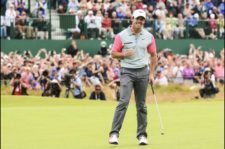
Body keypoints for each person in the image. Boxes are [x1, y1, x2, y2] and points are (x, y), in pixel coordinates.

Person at [108, 9, 157, 145]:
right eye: (138, 19)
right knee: (123, 102)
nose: (140, 21)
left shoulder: (149, 36)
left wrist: (151, 73)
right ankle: (114, 134)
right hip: (127, 72)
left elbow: (154, 56)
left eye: (142, 19)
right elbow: (113, 53)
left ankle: (142, 135)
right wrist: (124, 54)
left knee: (141, 105)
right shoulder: (121, 36)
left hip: (143, 72)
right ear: (132, 19)